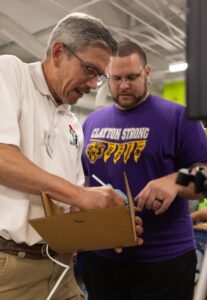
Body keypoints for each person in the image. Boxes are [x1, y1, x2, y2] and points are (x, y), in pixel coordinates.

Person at [0, 14, 143, 300]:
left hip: (62, 267)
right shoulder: (10, 73)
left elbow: (70, 207)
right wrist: (80, 195)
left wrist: (107, 225)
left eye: (100, 76)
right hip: (11, 267)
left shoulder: (72, 124)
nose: (93, 85)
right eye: (90, 69)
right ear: (57, 52)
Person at [81, 40, 207, 300]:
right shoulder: (92, 122)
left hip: (164, 260)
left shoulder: (179, 117)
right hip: (102, 257)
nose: (123, 85)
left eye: (132, 77)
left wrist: (175, 181)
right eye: (116, 78)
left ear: (147, 73)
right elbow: (85, 180)